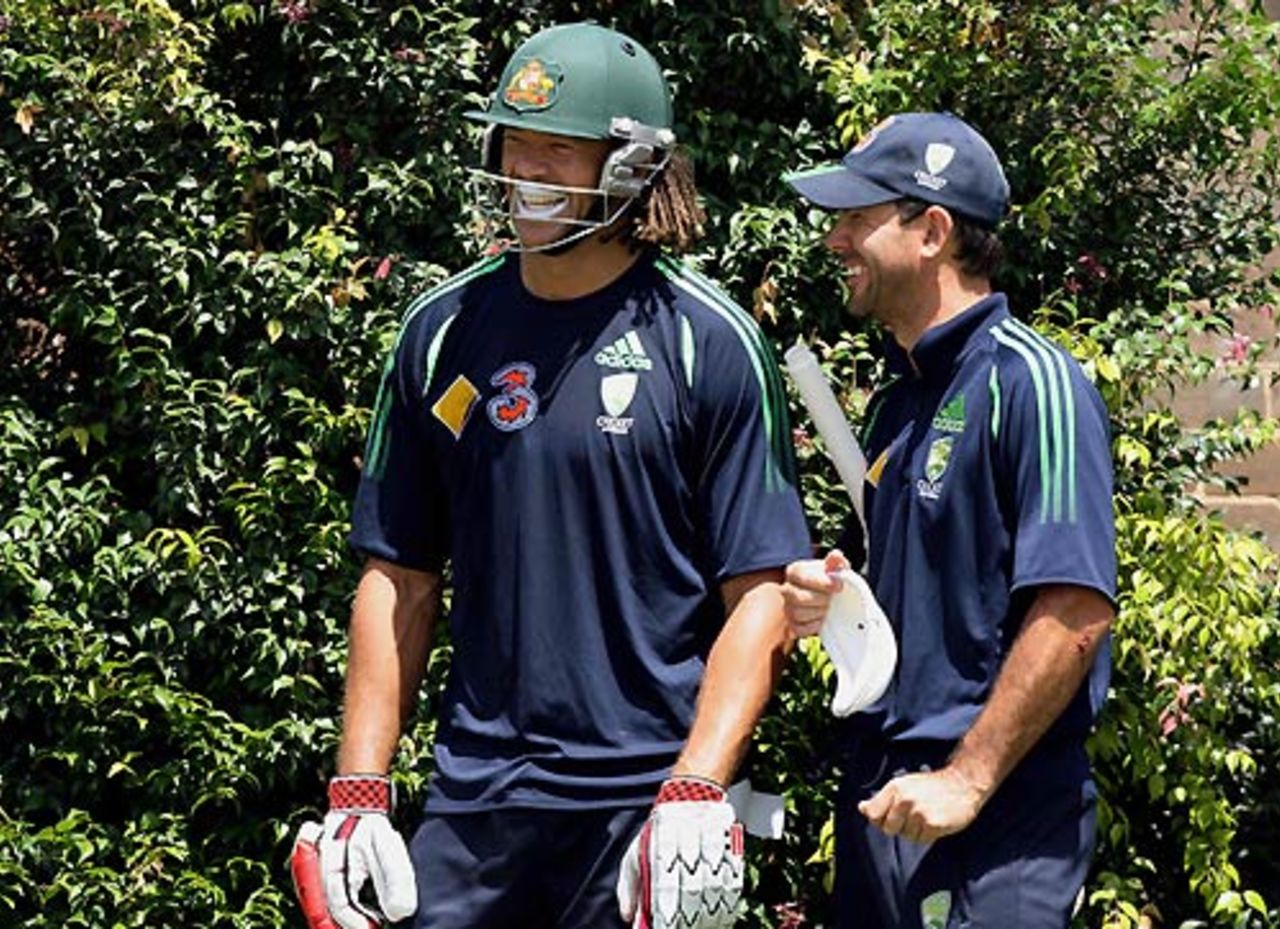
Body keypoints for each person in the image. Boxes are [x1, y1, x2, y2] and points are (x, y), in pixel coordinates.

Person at [289, 22, 811, 929]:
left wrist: (698, 784)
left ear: (633, 166)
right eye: (513, 144)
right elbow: (398, 577)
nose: (523, 172)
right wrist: (359, 790)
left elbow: (760, 591)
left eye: (557, 151)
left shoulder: (708, 341)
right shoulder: (440, 333)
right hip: (475, 801)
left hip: (646, 810)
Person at [780, 112, 1117, 928]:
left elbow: (1076, 609)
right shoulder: (896, 403)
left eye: (857, 218)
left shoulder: (1036, 382)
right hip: (886, 798)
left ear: (931, 231)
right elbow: (916, 604)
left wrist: (966, 780)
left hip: (998, 819)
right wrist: (833, 599)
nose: (834, 241)